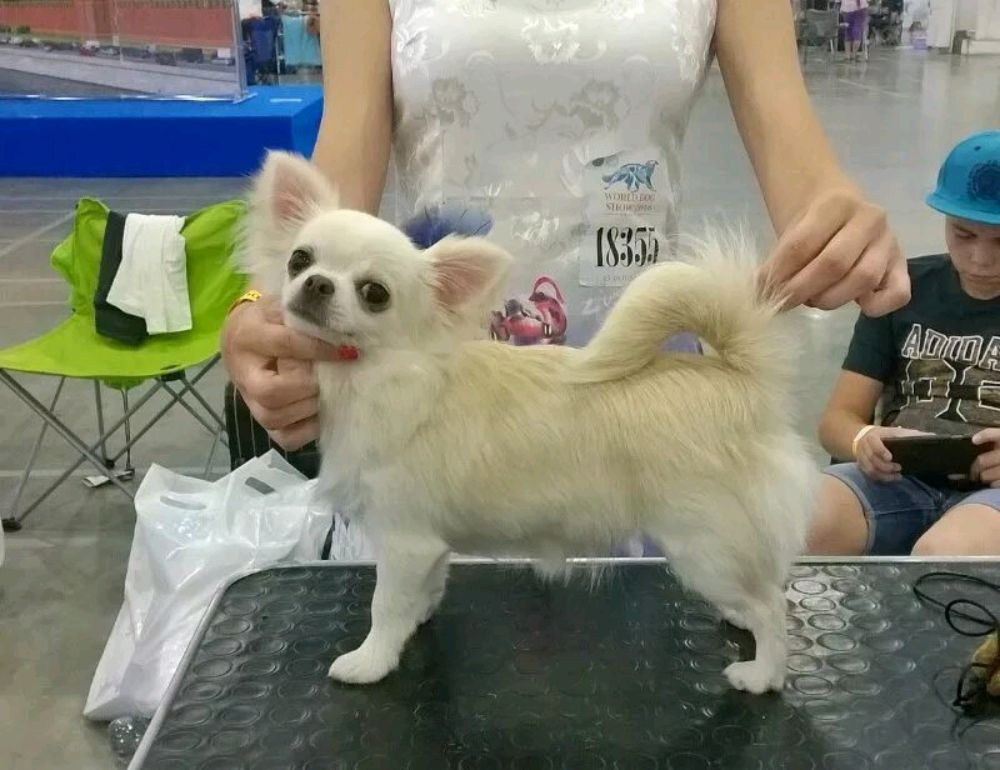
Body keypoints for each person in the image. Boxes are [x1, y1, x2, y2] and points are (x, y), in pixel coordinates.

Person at [222, 0, 909, 470]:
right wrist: (260, 309)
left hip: (641, 388)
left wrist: (841, 223)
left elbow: (798, 155)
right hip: (437, 392)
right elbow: (344, 163)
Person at [808, 130, 1000, 557]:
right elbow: (837, 421)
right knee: (797, 523)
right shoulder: (903, 289)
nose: (981, 259)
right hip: (896, 482)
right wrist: (864, 440)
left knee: (946, 553)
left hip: (992, 498)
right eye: (964, 235)